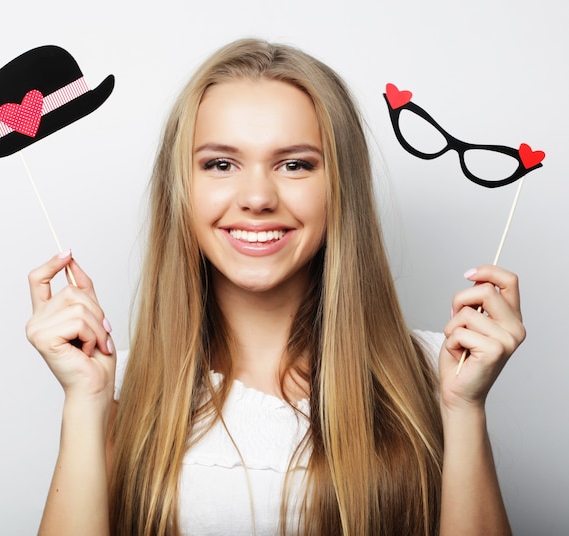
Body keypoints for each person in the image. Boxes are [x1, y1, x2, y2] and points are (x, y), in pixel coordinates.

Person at [26, 39, 525, 536]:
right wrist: (86, 403)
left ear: (340, 188)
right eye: (221, 164)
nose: (258, 198)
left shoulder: (441, 372)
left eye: (295, 164)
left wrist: (464, 410)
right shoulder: (118, 386)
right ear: (181, 187)